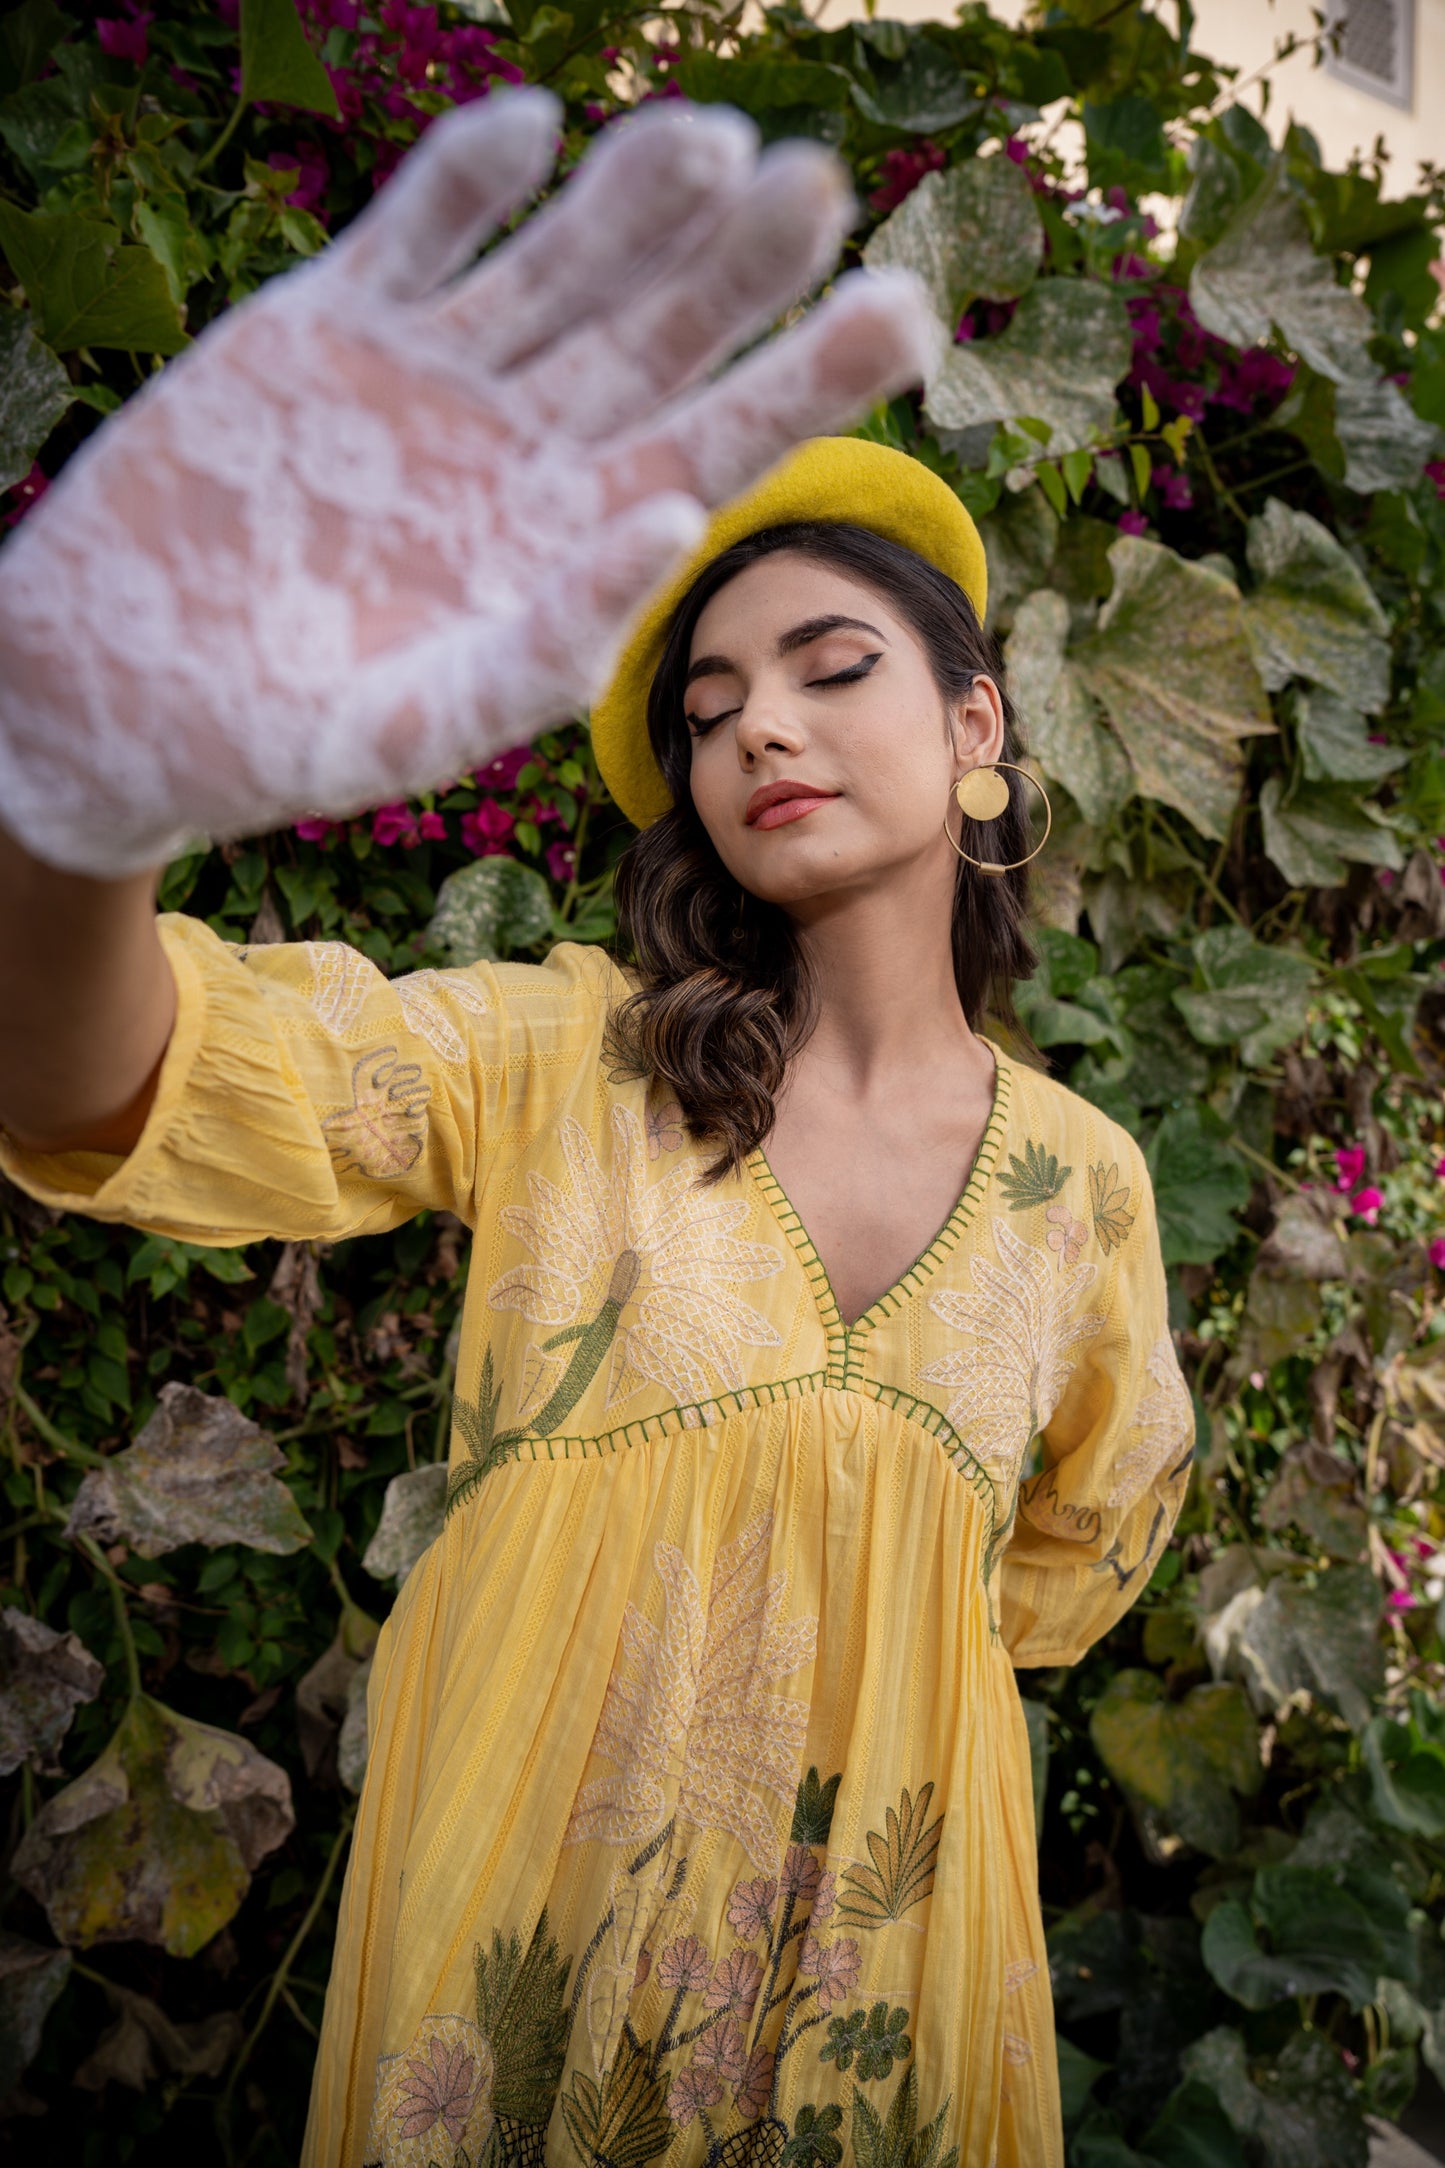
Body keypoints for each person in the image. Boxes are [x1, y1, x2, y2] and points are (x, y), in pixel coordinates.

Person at [0, 95, 1188, 2168]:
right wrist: (77, 793)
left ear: (980, 727)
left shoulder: (1085, 1187)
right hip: (512, 2021)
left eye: (828, 669)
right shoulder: (566, 1062)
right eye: (708, 712)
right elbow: (107, 1079)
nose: (762, 731)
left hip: (887, 2029)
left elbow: (1068, 1567)